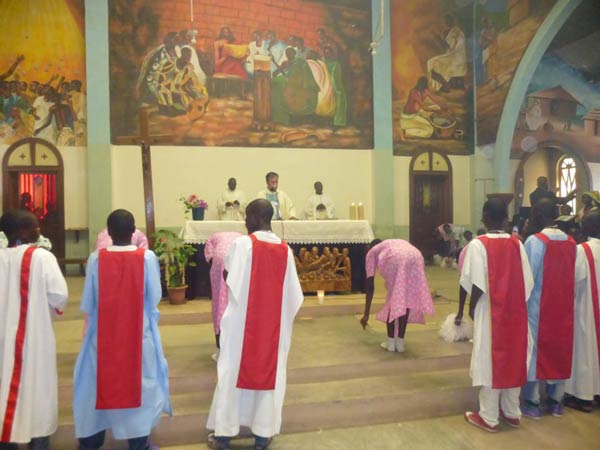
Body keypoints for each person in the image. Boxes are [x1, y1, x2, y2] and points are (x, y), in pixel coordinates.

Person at [206, 199, 303, 450]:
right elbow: (294, 296)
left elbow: (228, 275)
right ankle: (262, 434)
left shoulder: (242, 244)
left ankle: (224, 435)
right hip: (273, 330)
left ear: (258, 218)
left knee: (232, 373)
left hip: (241, 327)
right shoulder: (285, 250)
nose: (244, 221)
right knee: (269, 376)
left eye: (247, 216)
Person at [73, 209, 172, 450]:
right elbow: (154, 297)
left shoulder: (96, 259)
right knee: (141, 386)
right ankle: (138, 441)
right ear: (134, 230)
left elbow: (88, 302)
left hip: (103, 339)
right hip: (139, 337)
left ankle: (92, 441)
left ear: (108, 231)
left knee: (95, 385)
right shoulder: (147, 258)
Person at [461, 198, 533, 432]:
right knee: (514, 357)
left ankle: (489, 416)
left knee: (489, 359)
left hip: (490, 310)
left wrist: (472, 307)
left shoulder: (477, 244)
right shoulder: (517, 244)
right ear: (506, 219)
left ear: (484, 218)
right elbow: (528, 283)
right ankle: (512, 412)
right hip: (516, 310)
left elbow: (476, 285)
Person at [0, 209, 68, 450]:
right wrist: (50, 309)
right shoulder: (42, 258)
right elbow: (59, 296)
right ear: (21, 231)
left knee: (4, 389)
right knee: (37, 391)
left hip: (3, 339)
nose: (38, 230)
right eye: (33, 226)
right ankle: (38, 442)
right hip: (35, 337)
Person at [521, 198, 585, 419]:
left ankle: (532, 401)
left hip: (538, 308)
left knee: (534, 353)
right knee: (560, 350)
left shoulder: (534, 242)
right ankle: (556, 401)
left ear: (538, 215)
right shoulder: (571, 242)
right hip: (563, 307)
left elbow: (527, 278)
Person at [360, 239, 434, 353]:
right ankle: (400, 343)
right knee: (406, 298)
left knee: (393, 299)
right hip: (417, 256)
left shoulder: (372, 251)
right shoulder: (391, 244)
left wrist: (366, 314)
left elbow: (370, 286)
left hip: (398, 258)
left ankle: (390, 343)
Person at [565, 210, 600, 412]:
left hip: (586, 307)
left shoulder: (583, 250)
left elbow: (574, 279)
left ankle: (584, 397)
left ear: (591, 227)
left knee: (585, 351)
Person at [204, 231, 243, 361]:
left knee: (219, 306)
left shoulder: (212, 239)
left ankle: (220, 350)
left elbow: (210, 259)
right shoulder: (241, 237)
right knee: (240, 303)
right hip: (239, 259)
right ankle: (239, 347)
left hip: (219, 259)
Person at [427, 14, 467, 92]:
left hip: (456, 58)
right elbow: (446, 47)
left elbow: (450, 47)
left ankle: (445, 84)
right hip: (452, 56)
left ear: (450, 21)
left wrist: (439, 38)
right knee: (431, 63)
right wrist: (438, 38)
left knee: (432, 63)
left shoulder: (456, 32)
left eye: (446, 21)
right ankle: (445, 84)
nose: (445, 23)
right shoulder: (452, 31)